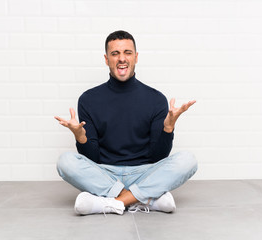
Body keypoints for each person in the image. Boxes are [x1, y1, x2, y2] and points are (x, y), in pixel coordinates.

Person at [54, 30, 197, 216]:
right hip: (105, 174)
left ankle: (110, 203)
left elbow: (158, 157)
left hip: (144, 172)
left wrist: (167, 128)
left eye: (127, 53)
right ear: (106, 59)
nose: (122, 58)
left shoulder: (156, 99)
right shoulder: (88, 99)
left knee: (188, 160)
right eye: (115, 53)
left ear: (136, 57)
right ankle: (146, 199)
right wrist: (80, 137)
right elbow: (93, 157)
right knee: (65, 162)